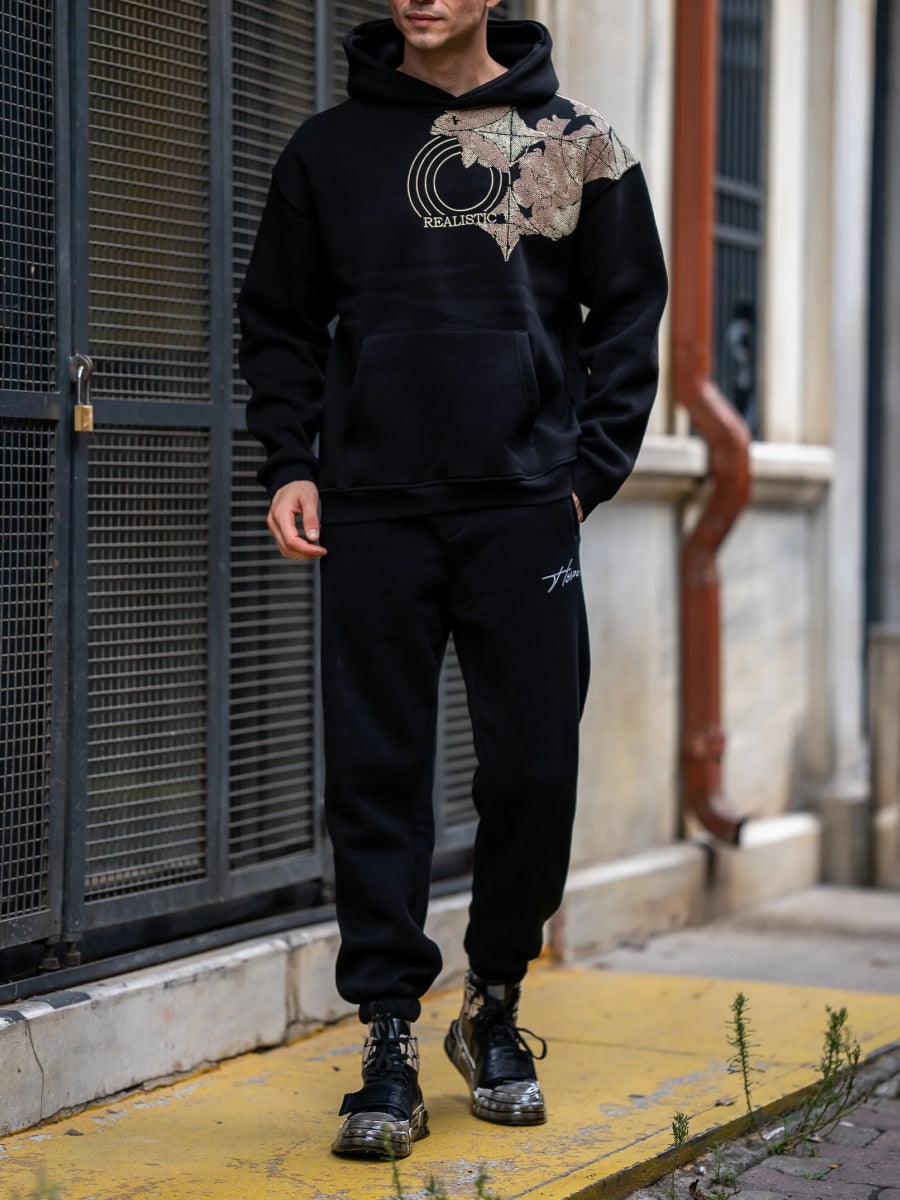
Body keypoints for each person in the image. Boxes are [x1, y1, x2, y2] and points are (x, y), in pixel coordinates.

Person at [239, 0, 667, 1160]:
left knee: (534, 769)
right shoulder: (328, 150)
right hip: (373, 508)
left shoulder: (573, 143)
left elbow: (630, 310)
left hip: (525, 508)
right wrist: (291, 463)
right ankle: (387, 1034)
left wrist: (586, 472)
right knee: (376, 776)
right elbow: (277, 320)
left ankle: (493, 1001)